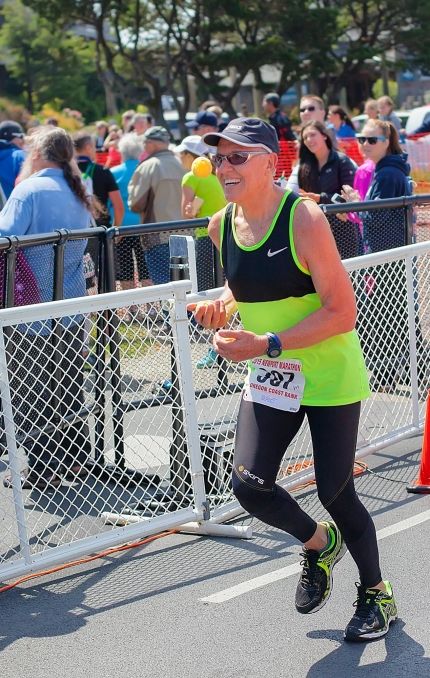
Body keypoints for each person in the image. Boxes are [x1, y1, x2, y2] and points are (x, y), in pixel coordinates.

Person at [189, 116, 397, 642]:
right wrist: (222, 305)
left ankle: (377, 594)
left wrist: (267, 343)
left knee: (336, 491)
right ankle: (317, 545)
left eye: (238, 156)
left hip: (327, 375)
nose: (225, 167)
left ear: (269, 162)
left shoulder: (303, 217)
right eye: (220, 157)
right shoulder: (219, 226)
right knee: (247, 485)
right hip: (271, 377)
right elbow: (252, 286)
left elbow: (341, 310)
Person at [0, 126, 96, 489]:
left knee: (30, 385)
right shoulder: (79, 190)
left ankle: (40, 466)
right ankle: (73, 459)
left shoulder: (29, 190)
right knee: (67, 382)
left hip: (29, 301)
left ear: (37, 152)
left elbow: (4, 236)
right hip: (69, 298)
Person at [176, 134, 227, 367]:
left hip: (206, 238)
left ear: (189, 156)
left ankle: (216, 348)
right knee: (228, 290)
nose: (179, 158)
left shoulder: (190, 177)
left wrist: (193, 206)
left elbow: (186, 214)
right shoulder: (219, 172)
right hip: (228, 236)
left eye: (181, 154)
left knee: (209, 294)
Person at [286, 121, 358, 259]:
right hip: (314, 230)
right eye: (305, 137)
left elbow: (349, 198)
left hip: (343, 230)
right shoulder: (304, 167)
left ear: (324, 136)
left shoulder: (342, 161)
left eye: (312, 135)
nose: (309, 140)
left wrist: (320, 198)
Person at [128, 126, 185, 285]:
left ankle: (170, 312)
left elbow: (136, 204)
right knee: (186, 286)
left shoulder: (148, 166)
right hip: (187, 233)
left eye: (145, 143)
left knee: (166, 290)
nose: (144, 147)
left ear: (152, 143)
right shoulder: (183, 161)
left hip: (158, 236)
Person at [109, 133, 150, 321]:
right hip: (144, 225)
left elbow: (111, 203)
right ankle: (151, 307)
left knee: (125, 267)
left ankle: (133, 308)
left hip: (122, 227)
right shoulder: (145, 169)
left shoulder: (114, 172)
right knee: (145, 266)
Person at [0, 120, 26, 199]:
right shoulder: (19, 156)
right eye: (21, 136)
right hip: (13, 208)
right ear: (12, 137)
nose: (23, 140)